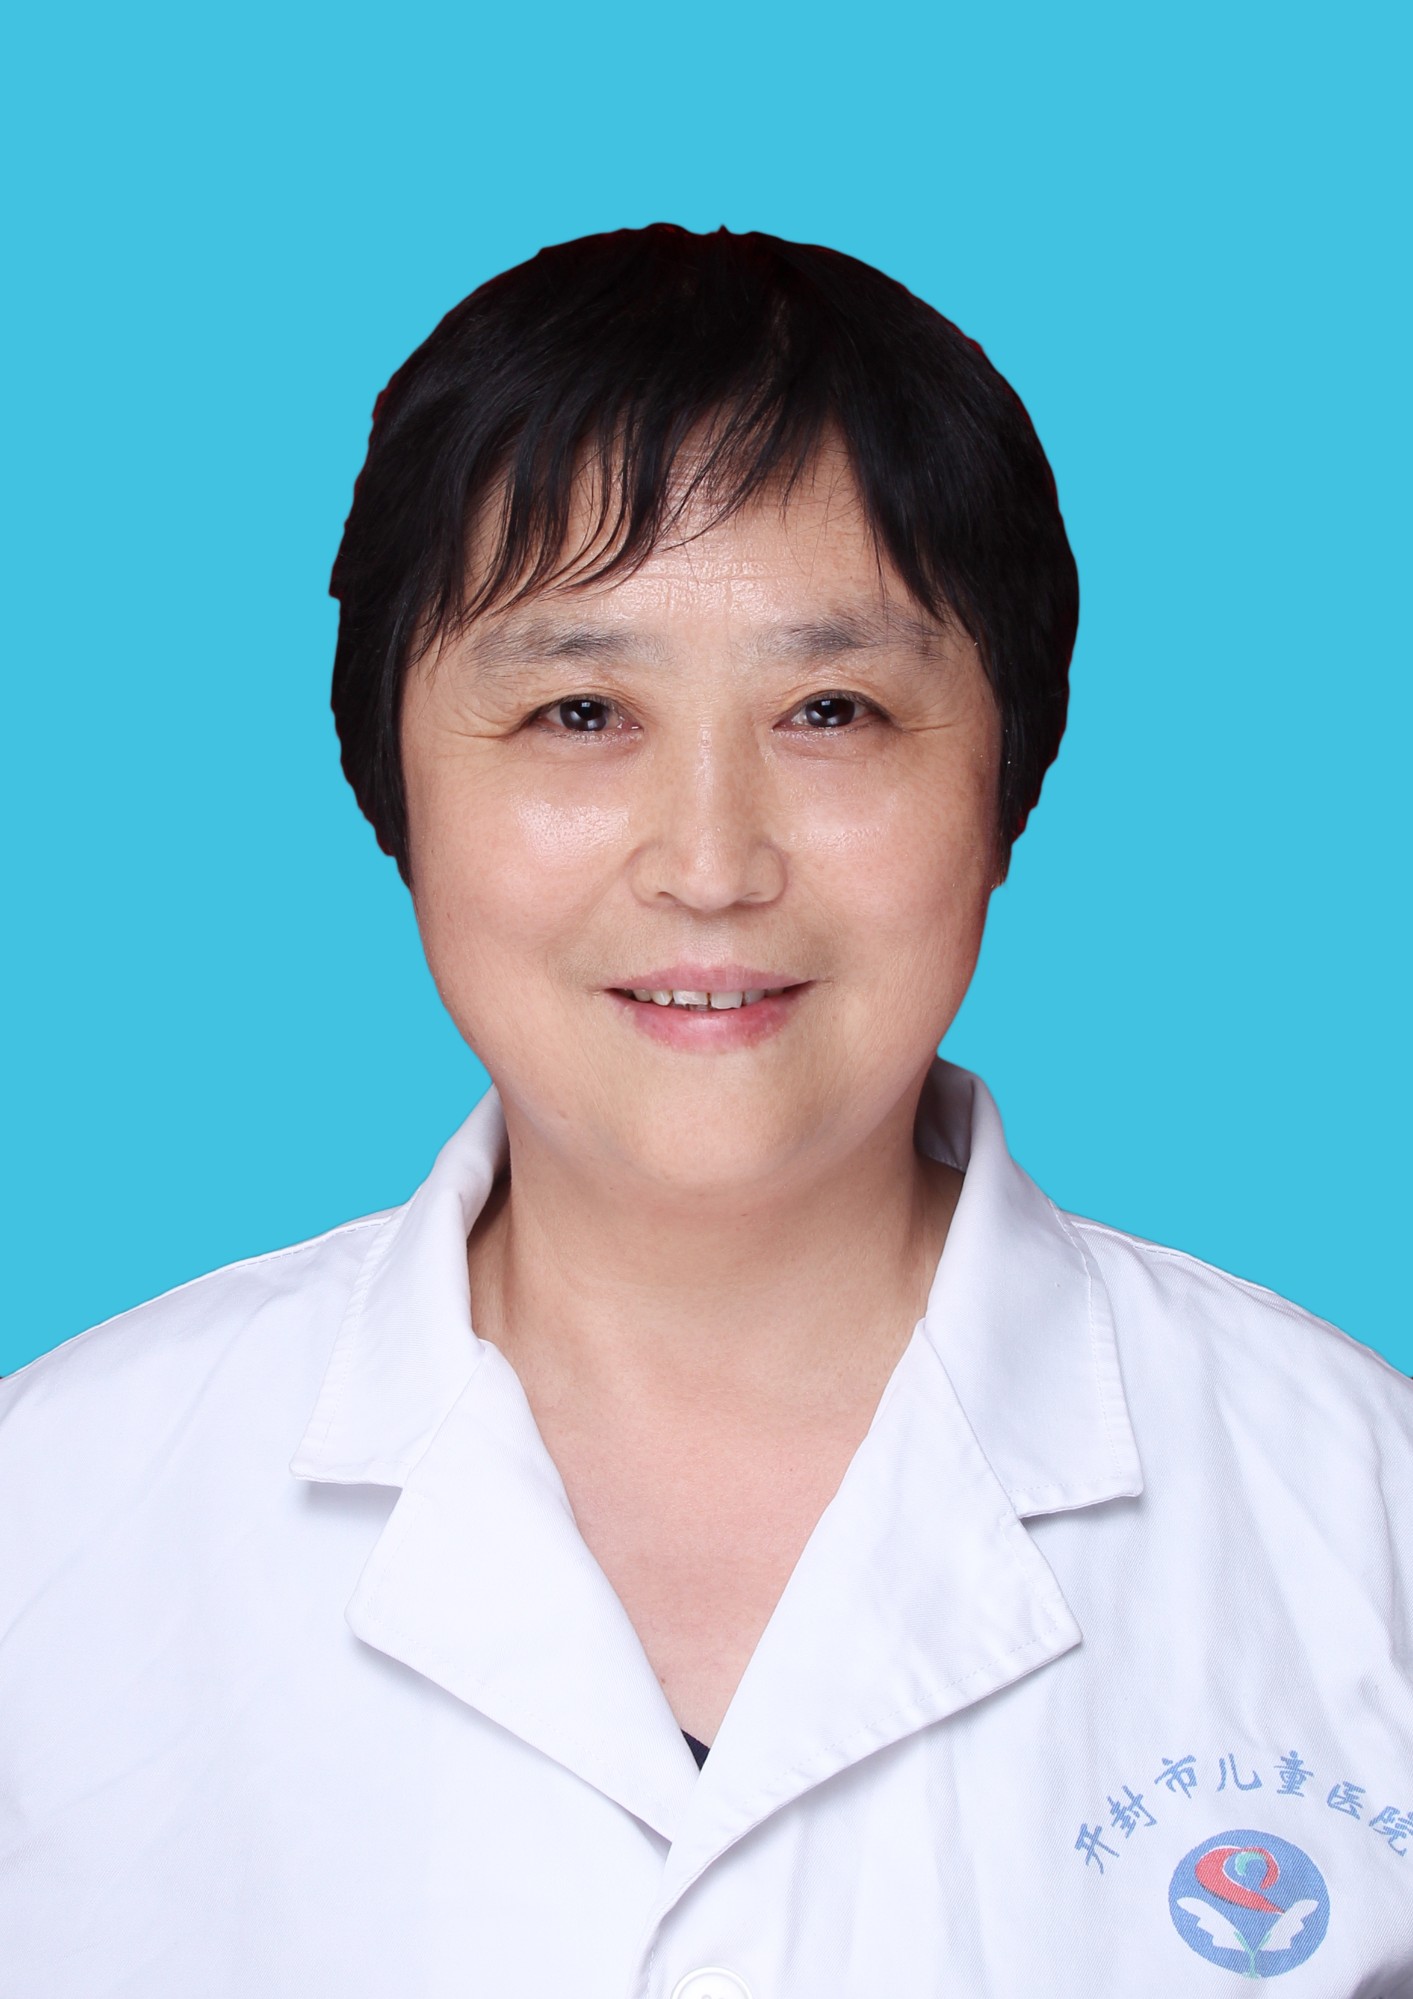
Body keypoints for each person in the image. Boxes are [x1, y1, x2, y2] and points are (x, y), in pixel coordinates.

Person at [2, 225, 1409, 1998]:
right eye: (581, 710)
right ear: (393, 785)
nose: (711, 862)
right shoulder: (56, 1513)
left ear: (1006, 778)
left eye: (831, 710)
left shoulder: (1358, 1517)